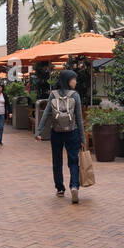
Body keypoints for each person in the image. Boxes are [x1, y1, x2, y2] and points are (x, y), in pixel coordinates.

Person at [36, 68, 84, 203]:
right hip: (72, 131)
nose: (75, 81)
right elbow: (79, 119)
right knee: (73, 161)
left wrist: (39, 132)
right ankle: (74, 186)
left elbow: (46, 114)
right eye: (74, 79)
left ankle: (60, 188)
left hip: (56, 131)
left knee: (57, 161)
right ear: (68, 80)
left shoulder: (53, 94)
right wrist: (82, 138)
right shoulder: (75, 95)